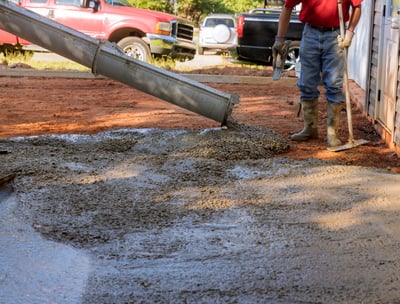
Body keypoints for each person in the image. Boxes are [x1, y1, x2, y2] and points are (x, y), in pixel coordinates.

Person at [272, 0, 362, 147]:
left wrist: (349, 33)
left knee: (334, 84)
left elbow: (357, 7)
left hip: (335, 35)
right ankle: (310, 128)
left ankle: (332, 134)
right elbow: (287, 7)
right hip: (310, 33)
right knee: (306, 83)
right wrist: (279, 39)